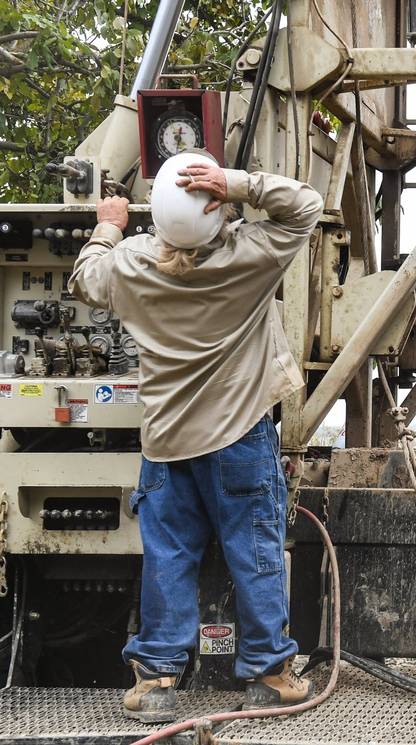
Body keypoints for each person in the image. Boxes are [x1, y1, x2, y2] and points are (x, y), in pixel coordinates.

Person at [69, 150, 323, 722]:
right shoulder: (252, 256)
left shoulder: (130, 265)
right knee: (254, 553)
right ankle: (270, 674)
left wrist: (108, 225)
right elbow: (306, 205)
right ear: (218, 210)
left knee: (167, 558)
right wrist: (235, 183)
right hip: (238, 436)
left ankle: (156, 680)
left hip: (165, 443)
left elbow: (85, 279)